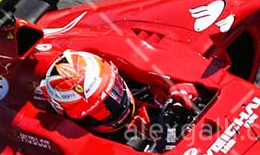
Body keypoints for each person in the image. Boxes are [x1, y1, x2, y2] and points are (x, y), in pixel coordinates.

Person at [41, 50, 200, 149]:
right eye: (99, 112)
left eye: (113, 93)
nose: (114, 108)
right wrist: (169, 140)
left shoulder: (145, 87)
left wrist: (191, 91)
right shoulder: (100, 147)